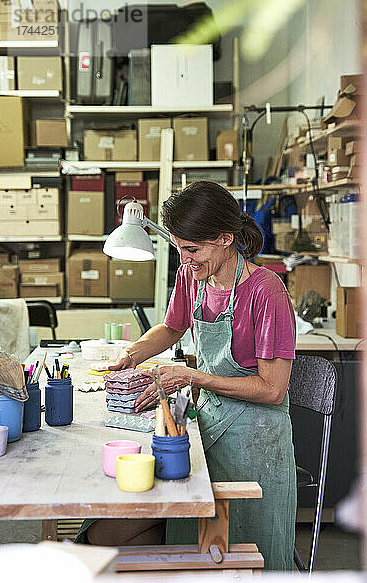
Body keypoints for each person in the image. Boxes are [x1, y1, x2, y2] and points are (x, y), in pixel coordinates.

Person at [77, 181, 296, 571]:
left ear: (226, 238)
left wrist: (192, 377)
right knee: (108, 533)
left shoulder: (266, 292)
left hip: (255, 439)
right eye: (179, 246)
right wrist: (130, 354)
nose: (184, 258)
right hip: (207, 423)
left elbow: (273, 389)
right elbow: (171, 327)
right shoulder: (193, 275)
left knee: (243, 554)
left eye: (192, 249)